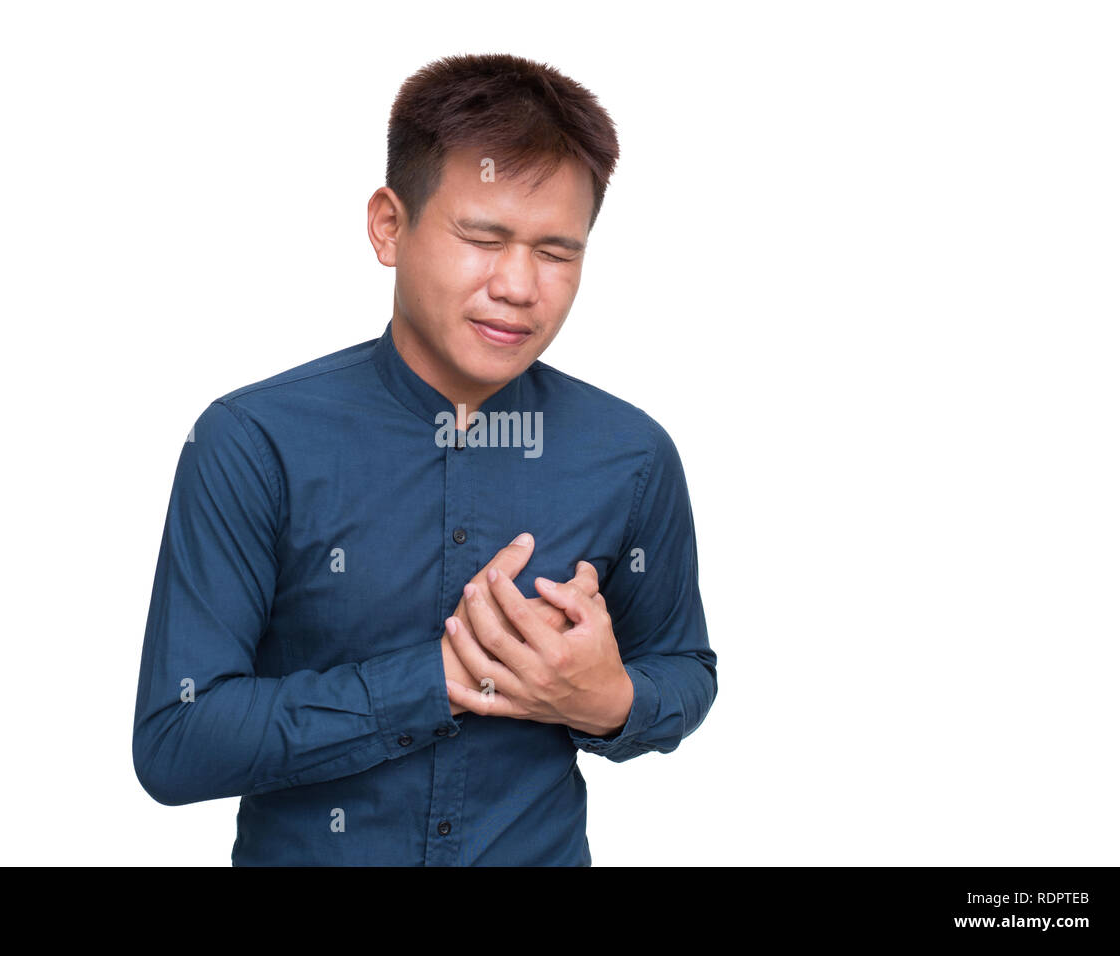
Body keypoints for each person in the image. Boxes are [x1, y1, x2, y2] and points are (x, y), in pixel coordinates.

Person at [132, 52, 718, 866]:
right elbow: (177, 738)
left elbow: (684, 667)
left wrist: (610, 699)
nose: (518, 285)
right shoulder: (252, 442)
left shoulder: (631, 456)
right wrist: (437, 678)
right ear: (389, 226)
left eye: (557, 252)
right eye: (483, 237)